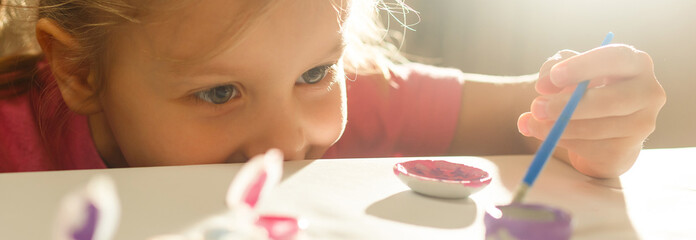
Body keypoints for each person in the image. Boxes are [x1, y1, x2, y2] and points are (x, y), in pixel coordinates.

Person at [0, 0, 665, 178]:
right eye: (218, 93)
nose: (290, 139)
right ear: (81, 72)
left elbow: (534, 112)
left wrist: (597, 112)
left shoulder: (365, 99)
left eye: (317, 74)